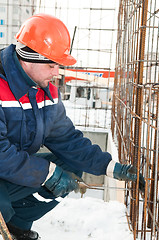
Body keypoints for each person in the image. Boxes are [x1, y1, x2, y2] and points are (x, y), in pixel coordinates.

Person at [0, 13, 145, 240]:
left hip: (9, 170)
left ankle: (17, 224)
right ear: (30, 58)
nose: (56, 72)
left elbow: (67, 139)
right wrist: (47, 173)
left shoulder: (45, 90)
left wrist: (111, 167)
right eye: (52, 65)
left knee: (70, 166)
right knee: (2, 200)